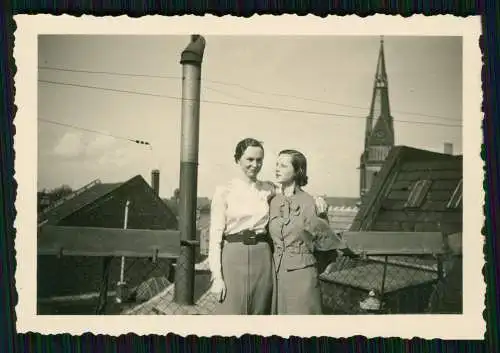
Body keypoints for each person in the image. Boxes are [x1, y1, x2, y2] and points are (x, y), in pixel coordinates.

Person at [208, 138, 328, 315]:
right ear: (237, 159)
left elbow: (294, 193)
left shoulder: (269, 189)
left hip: (263, 257)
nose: (255, 165)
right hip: (233, 257)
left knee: (261, 313)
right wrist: (217, 277)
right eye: (249, 159)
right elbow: (215, 238)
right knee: (230, 314)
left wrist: (316, 198)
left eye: (259, 160)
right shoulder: (224, 191)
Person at [268, 149, 352, 315]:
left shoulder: (311, 203)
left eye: (283, 166)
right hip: (275, 275)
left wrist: (321, 212)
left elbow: (325, 246)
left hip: (302, 275)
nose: (277, 169)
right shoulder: (272, 201)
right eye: (277, 164)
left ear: (298, 170)